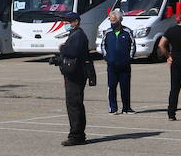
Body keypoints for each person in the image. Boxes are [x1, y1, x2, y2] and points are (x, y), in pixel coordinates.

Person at [54, 13, 97, 146]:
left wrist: (62, 48)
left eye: (68, 21)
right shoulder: (74, 34)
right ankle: (78, 134)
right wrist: (58, 59)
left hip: (76, 75)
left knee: (74, 105)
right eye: (65, 21)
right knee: (74, 104)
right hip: (73, 74)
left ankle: (76, 135)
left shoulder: (78, 35)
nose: (65, 24)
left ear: (76, 22)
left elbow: (74, 52)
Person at [95, 9, 137, 114]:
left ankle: (126, 108)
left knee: (125, 87)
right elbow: (103, 45)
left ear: (119, 20)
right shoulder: (108, 32)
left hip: (124, 65)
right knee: (112, 87)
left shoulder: (127, 32)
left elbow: (133, 45)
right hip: (112, 65)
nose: (112, 23)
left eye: (114, 21)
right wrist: (107, 57)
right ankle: (113, 108)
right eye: (111, 21)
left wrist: (129, 58)